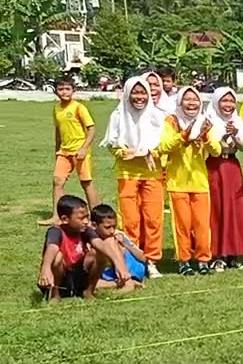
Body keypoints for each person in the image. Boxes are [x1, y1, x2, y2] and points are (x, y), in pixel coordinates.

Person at [102, 76, 166, 279]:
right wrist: (123, 153)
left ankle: (152, 260)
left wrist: (145, 153)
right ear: (128, 94)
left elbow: (165, 146)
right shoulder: (119, 115)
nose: (139, 97)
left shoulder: (157, 116)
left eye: (143, 92)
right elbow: (112, 144)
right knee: (129, 219)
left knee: (153, 218)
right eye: (135, 93)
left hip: (152, 173)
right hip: (127, 173)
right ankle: (132, 259)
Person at [159, 86, 219, 275]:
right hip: (177, 182)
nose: (191, 103)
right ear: (179, 102)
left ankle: (203, 259)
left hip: (200, 182)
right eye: (187, 99)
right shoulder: (171, 121)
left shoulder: (205, 123)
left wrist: (206, 139)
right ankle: (184, 260)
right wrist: (183, 136)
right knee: (182, 224)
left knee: (202, 224)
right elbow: (163, 146)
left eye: (195, 100)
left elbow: (216, 150)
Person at [38, 195, 134, 300]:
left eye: (87, 217)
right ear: (65, 219)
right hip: (58, 279)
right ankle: (55, 295)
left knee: (98, 253)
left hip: (78, 278)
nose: (85, 221)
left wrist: (118, 263)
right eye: (81, 218)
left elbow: (100, 244)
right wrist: (45, 269)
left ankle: (88, 292)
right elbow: (52, 248)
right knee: (57, 256)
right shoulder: (55, 231)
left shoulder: (86, 230)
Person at [206, 87, 243, 271]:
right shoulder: (209, 119)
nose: (228, 105)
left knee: (234, 208)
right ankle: (217, 254)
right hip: (214, 167)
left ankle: (234, 252)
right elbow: (209, 145)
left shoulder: (237, 120)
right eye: (224, 101)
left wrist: (234, 134)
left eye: (231, 101)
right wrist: (222, 138)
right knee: (217, 209)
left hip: (232, 166)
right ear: (217, 102)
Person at [43, 75, 99, 224]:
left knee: (86, 182)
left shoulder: (79, 107)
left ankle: (96, 216)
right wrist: (57, 150)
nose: (64, 92)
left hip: (79, 151)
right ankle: (57, 215)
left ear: (73, 90)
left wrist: (84, 148)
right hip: (64, 151)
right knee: (57, 181)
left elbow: (92, 129)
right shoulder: (56, 109)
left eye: (67, 89)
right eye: (60, 89)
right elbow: (58, 131)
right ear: (56, 91)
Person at [93, 203, 147, 289]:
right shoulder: (91, 237)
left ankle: (128, 280)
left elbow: (143, 258)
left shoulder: (118, 235)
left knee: (113, 243)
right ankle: (120, 283)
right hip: (110, 271)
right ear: (94, 226)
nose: (111, 231)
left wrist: (125, 244)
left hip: (132, 267)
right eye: (107, 227)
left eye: (114, 227)